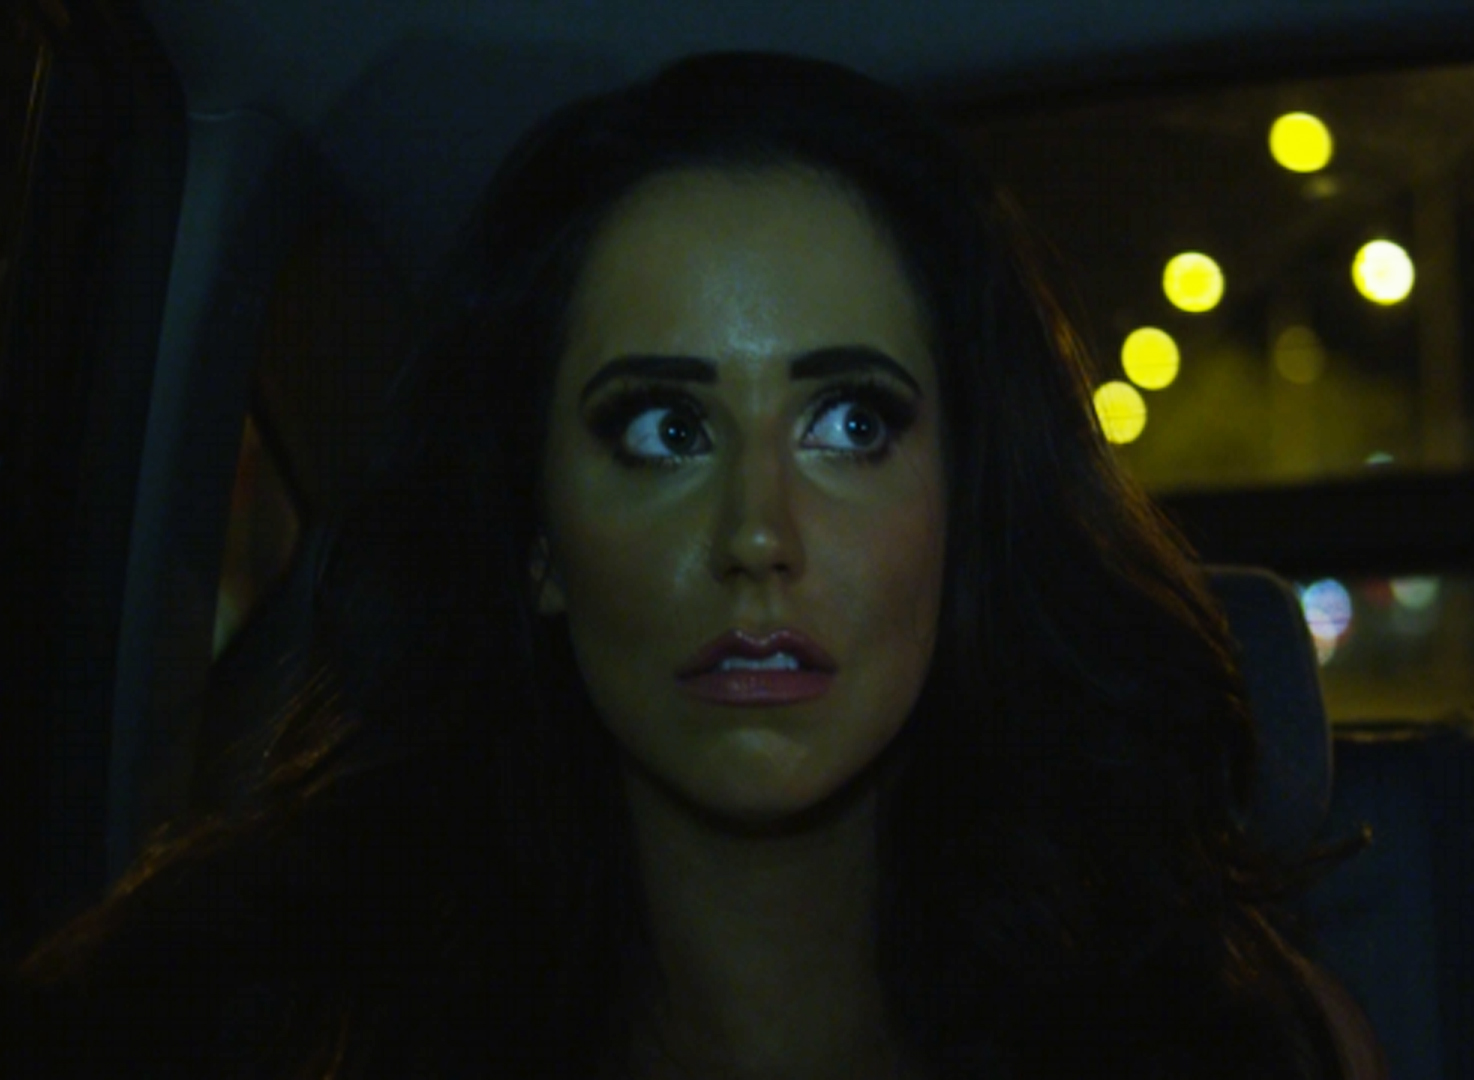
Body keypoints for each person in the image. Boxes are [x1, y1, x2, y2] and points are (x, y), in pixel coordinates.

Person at [5, 51, 1383, 1078]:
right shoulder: (217, 1023)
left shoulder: (1226, 1039)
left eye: (851, 425)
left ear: (967, 510)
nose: (758, 536)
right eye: (666, 430)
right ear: (538, 542)